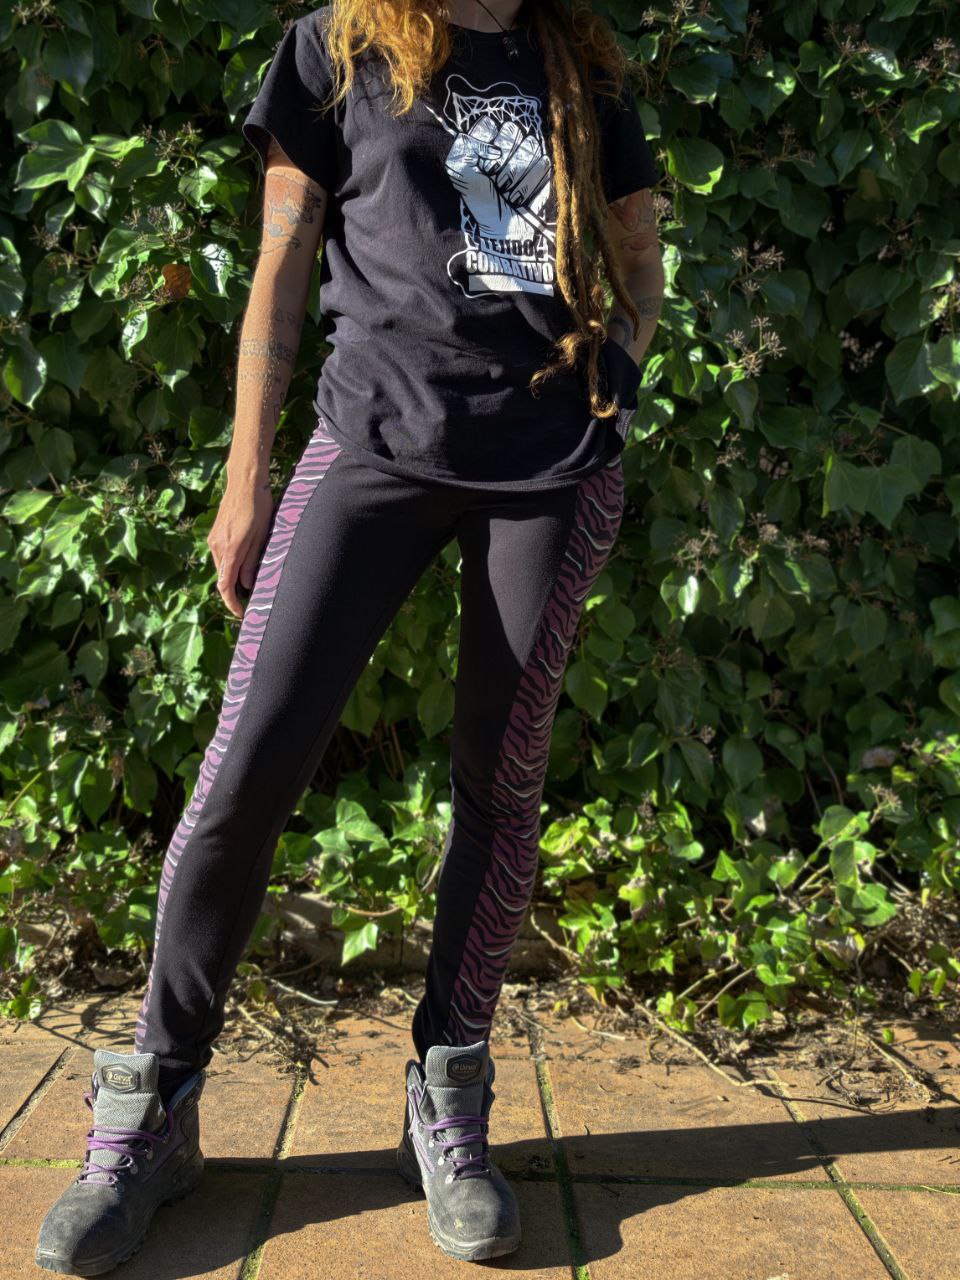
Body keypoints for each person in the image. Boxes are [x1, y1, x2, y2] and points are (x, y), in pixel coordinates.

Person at [35, 0, 664, 1271]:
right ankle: (157, 1098)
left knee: (502, 780)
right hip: (369, 440)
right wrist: (245, 477)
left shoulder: (580, 57)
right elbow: (282, 261)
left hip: (548, 468)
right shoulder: (338, 44)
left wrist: (622, 369)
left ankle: (449, 1085)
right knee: (247, 766)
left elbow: (638, 248)